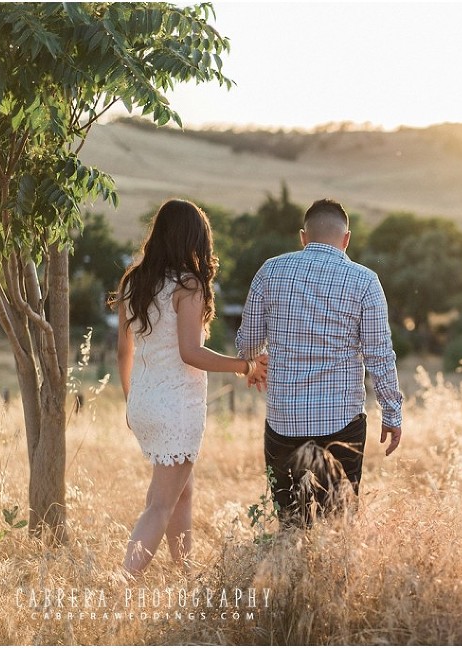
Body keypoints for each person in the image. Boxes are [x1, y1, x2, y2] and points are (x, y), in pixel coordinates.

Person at [111, 198, 267, 575]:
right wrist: (244, 366)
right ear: (194, 239)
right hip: (175, 407)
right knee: (159, 505)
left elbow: (122, 351)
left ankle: (185, 577)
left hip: (145, 401)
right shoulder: (188, 285)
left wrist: (132, 402)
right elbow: (191, 353)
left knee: (182, 493)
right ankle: (120, 585)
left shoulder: (134, 282)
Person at [236, 198, 403, 525]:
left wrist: (255, 361)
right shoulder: (364, 280)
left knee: (290, 522)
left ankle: (289, 573)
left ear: (303, 236)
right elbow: (379, 354)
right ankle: (332, 575)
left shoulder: (270, 271)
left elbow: (248, 342)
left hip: (283, 422)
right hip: (341, 423)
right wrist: (392, 412)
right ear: (346, 239)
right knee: (338, 525)